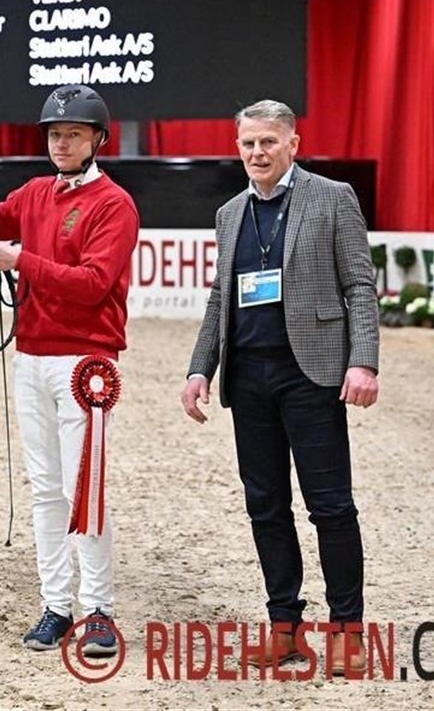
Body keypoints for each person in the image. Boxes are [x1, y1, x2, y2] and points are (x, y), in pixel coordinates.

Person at [0, 84, 139, 656]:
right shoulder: (37, 192)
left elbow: (94, 284)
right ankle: (56, 605)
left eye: (73, 135)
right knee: (45, 489)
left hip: (86, 360)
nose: (61, 143)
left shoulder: (114, 204)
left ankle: (98, 611)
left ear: (96, 140)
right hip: (33, 357)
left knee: (82, 490)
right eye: (55, 134)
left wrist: (22, 260)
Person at [180, 99, 379, 676]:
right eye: (248, 143)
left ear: (293, 144)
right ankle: (285, 628)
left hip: (311, 375)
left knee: (330, 506)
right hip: (248, 379)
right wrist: (200, 368)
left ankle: (347, 632)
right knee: (265, 506)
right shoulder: (229, 214)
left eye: (268, 142)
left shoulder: (332, 197)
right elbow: (220, 298)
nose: (257, 152)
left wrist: (363, 362)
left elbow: (359, 285)